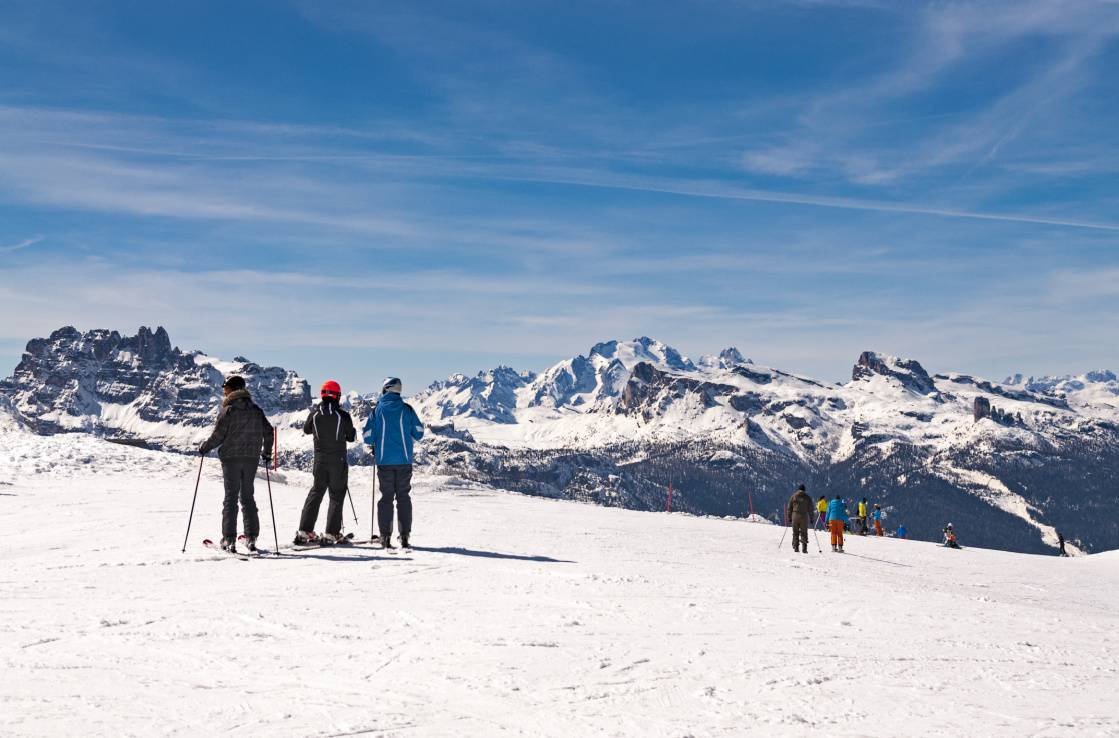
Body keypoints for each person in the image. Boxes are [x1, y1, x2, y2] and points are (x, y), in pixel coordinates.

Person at [198, 376, 274, 553]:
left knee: (230, 498)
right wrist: (266, 453)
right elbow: (269, 432)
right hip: (251, 459)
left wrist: (204, 448)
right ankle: (251, 538)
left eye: (226, 387)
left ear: (233, 389)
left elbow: (218, 436)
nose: (224, 390)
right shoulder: (256, 410)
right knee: (247, 497)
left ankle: (229, 540)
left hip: (231, 459)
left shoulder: (228, 410)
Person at [363, 377, 424, 549]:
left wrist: (377, 441)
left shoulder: (377, 410)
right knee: (403, 497)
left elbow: (367, 436)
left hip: (384, 461)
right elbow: (419, 432)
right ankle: (404, 536)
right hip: (404, 460)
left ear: (385, 389)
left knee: (386, 498)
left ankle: (385, 537)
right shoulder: (407, 409)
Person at [295, 380, 356, 545]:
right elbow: (351, 437)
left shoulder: (315, 414)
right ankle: (331, 533)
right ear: (337, 396)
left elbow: (306, 430)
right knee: (336, 495)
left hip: (320, 461)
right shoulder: (342, 415)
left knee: (316, 493)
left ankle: (304, 531)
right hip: (338, 460)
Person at [786, 484, 813, 554]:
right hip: (804, 516)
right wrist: (811, 518)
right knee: (804, 532)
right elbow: (810, 509)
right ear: (804, 490)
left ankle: (796, 547)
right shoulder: (807, 497)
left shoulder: (794, 496)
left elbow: (789, 507)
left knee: (795, 532)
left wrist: (789, 517)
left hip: (795, 515)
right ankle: (804, 548)